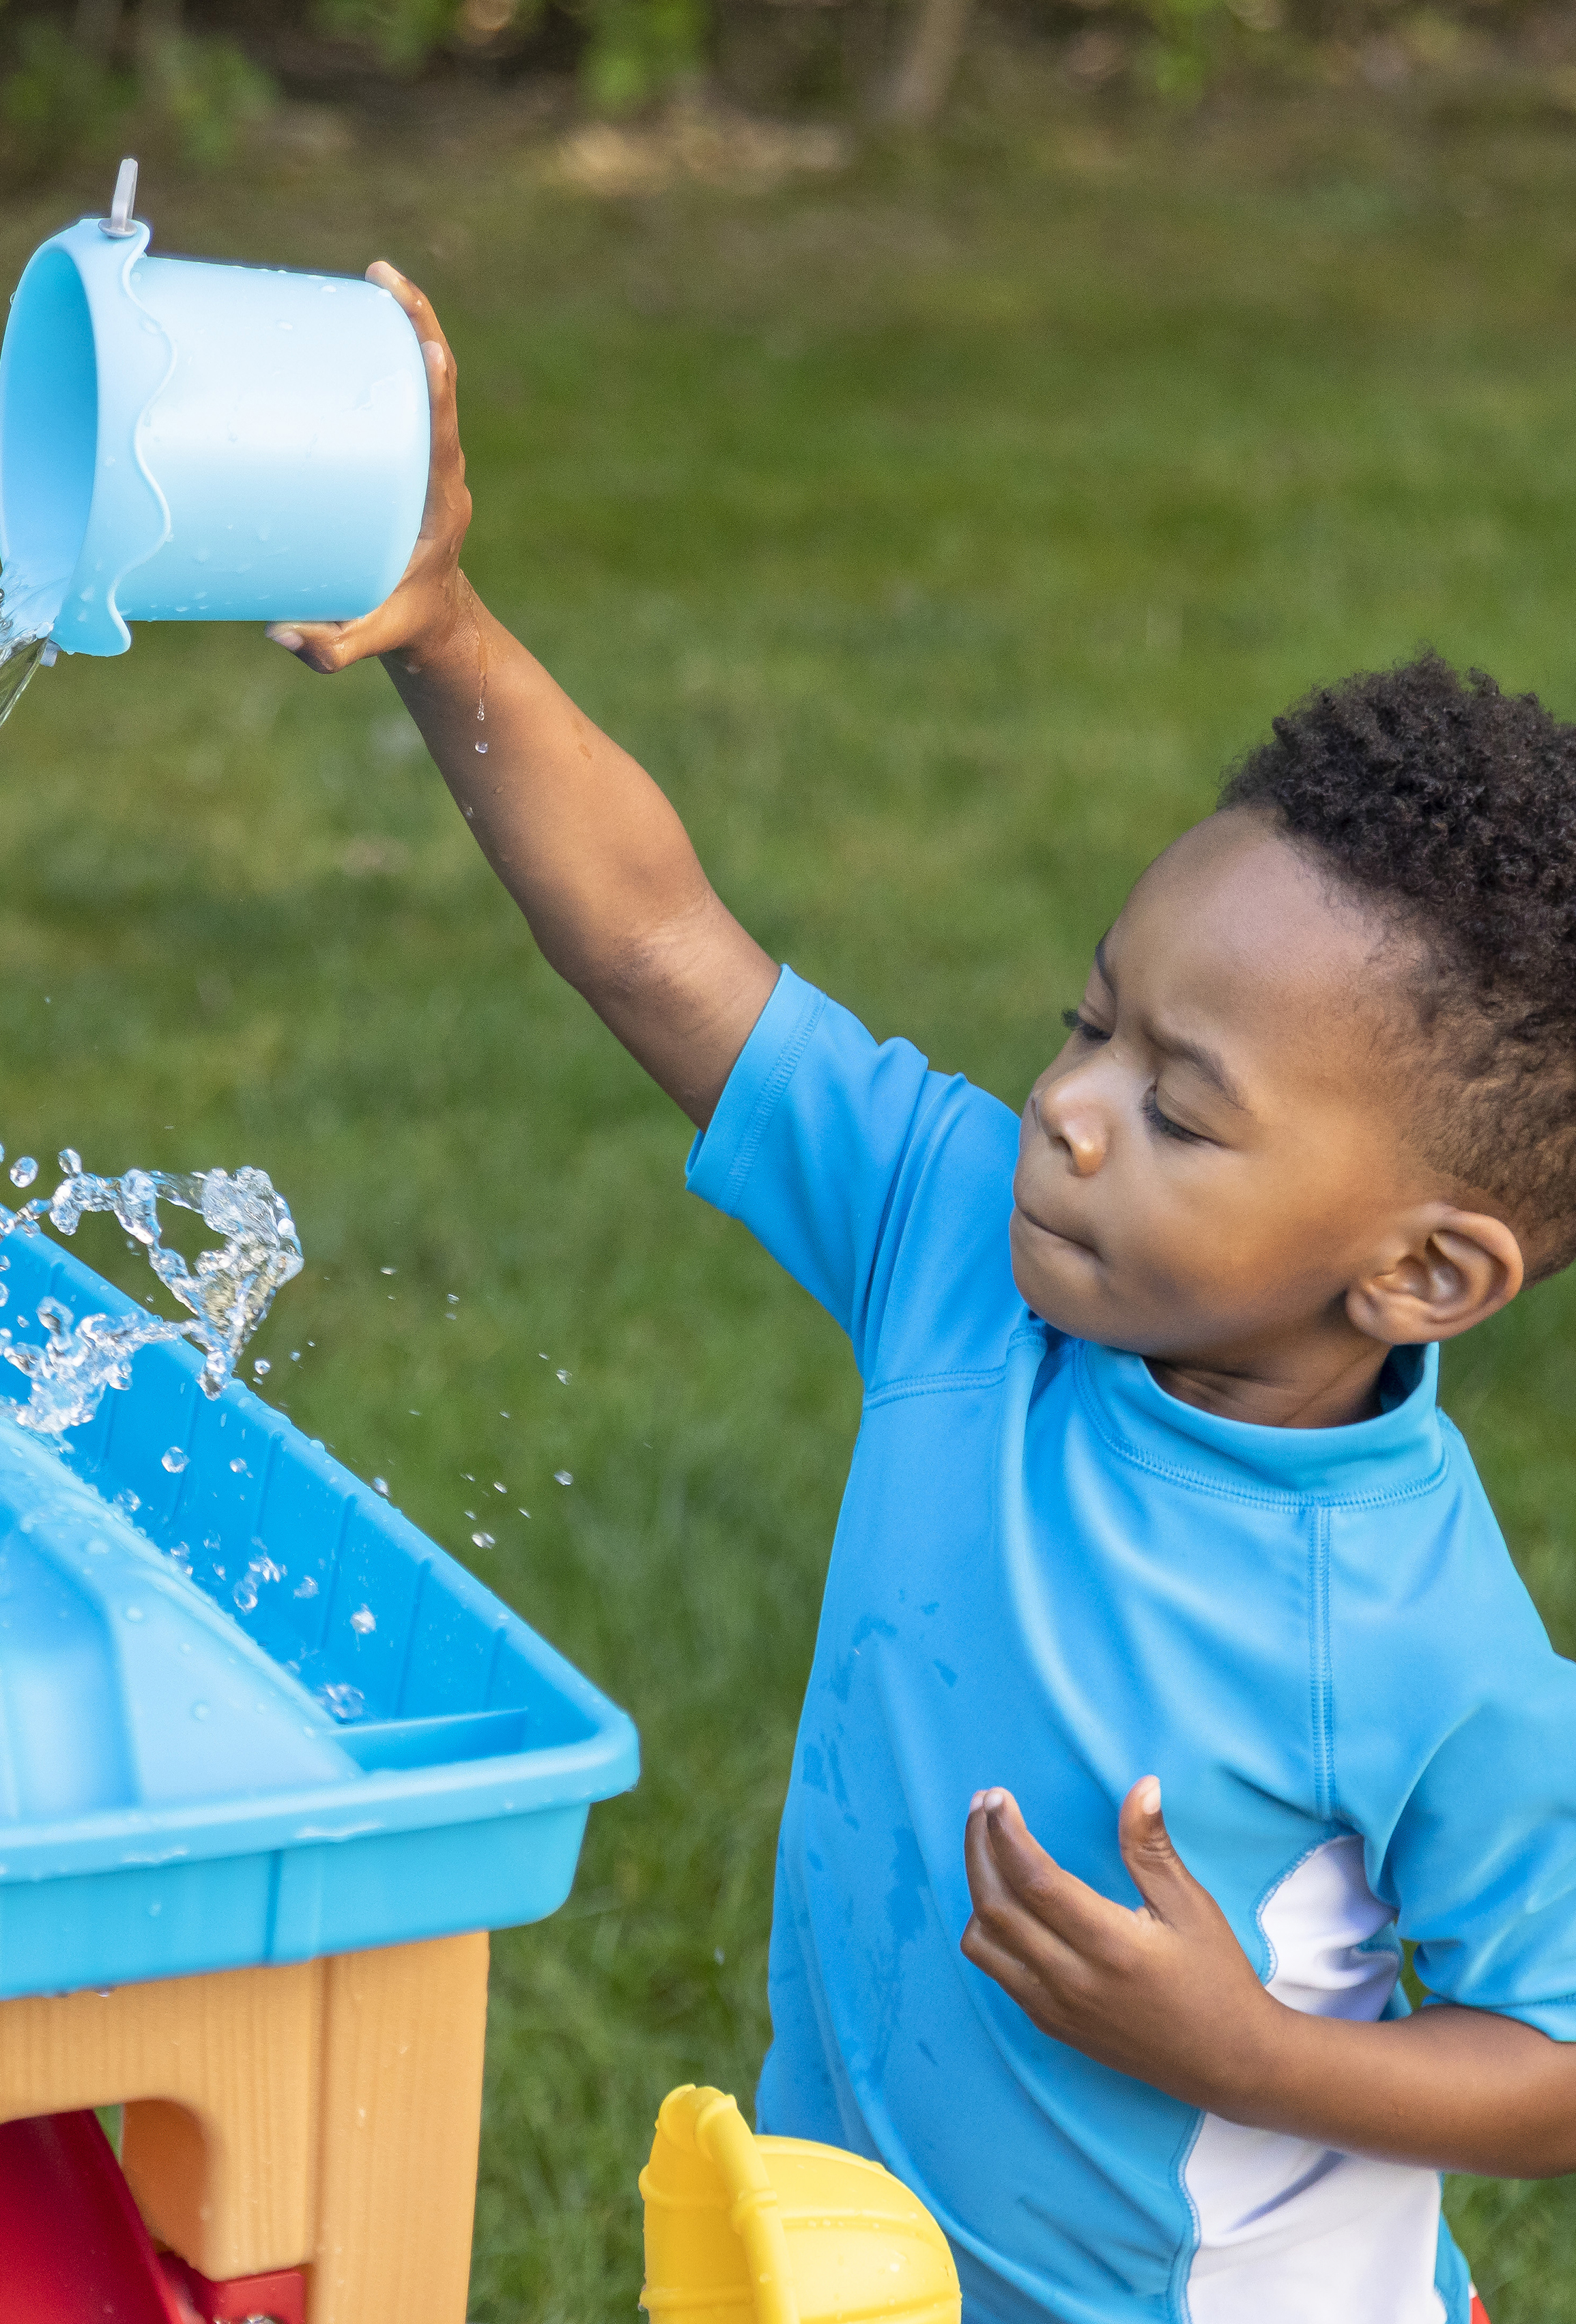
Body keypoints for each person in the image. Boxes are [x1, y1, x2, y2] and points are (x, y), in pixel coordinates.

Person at [266, 264, 1576, 2324]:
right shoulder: (966, 1261)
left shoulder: (1409, 1634)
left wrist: (1247, 2059)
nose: (1061, 1109)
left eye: (1180, 1108)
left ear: (1420, 1270)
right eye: (1087, 1023)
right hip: (859, 2265)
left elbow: (1559, 2056)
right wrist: (443, 622)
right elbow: (661, 948)